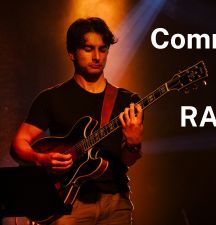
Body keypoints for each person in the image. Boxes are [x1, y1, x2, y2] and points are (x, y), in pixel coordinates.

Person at [11, 17, 143, 225]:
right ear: (71, 53)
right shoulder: (51, 98)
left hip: (115, 202)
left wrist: (134, 144)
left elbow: (128, 160)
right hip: (68, 204)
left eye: (103, 49)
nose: (97, 56)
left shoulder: (128, 101)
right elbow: (18, 144)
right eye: (88, 49)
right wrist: (41, 159)